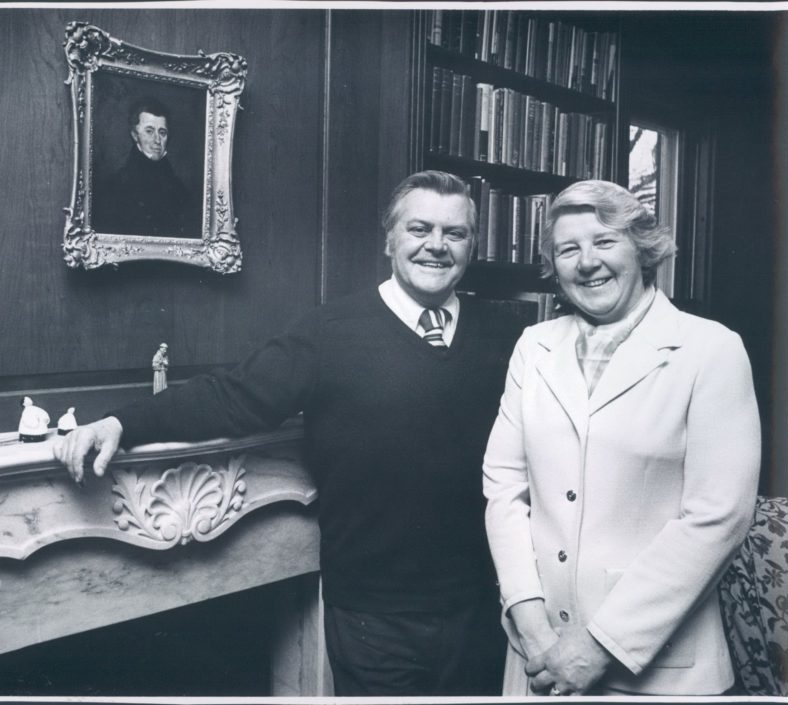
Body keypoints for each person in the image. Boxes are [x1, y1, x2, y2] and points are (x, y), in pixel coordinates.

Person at [56, 170, 518, 696]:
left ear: (472, 246)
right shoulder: (328, 334)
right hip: (375, 616)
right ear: (389, 239)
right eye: (419, 229)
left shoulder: (506, 338)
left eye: (454, 234)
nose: (436, 246)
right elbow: (231, 397)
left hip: (480, 609)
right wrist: (122, 421)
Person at [482, 180, 761, 696]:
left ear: (642, 249)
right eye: (568, 249)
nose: (587, 261)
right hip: (537, 657)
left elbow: (718, 516)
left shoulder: (711, 350)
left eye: (604, 241)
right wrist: (529, 620)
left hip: (658, 669)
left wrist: (599, 644)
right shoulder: (534, 345)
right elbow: (503, 488)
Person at [94, 97, 194, 237]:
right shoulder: (115, 187)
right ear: (135, 135)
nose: (157, 140)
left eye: (162, 132)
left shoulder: (179, 188)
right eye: (149, 131)